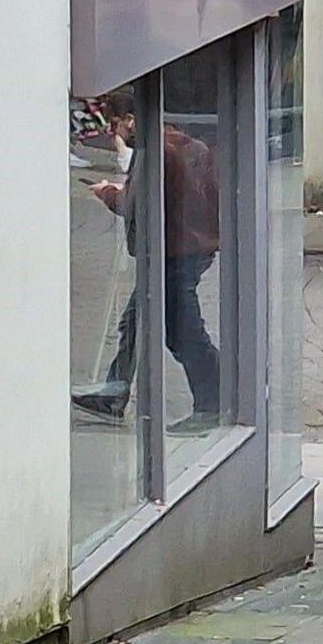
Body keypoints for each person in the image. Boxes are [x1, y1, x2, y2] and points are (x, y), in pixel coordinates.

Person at [75, 91, 225, 426]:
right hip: (190, 246)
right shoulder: (183, 145)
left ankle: (216, 400)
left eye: (117, 124)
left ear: (131, 119)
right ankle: (114, 392)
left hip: (172, 252)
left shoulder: (155, 152)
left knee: (183, 330)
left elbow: (136, 206)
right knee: (135, 321)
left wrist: (108, 193)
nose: (116, 133)